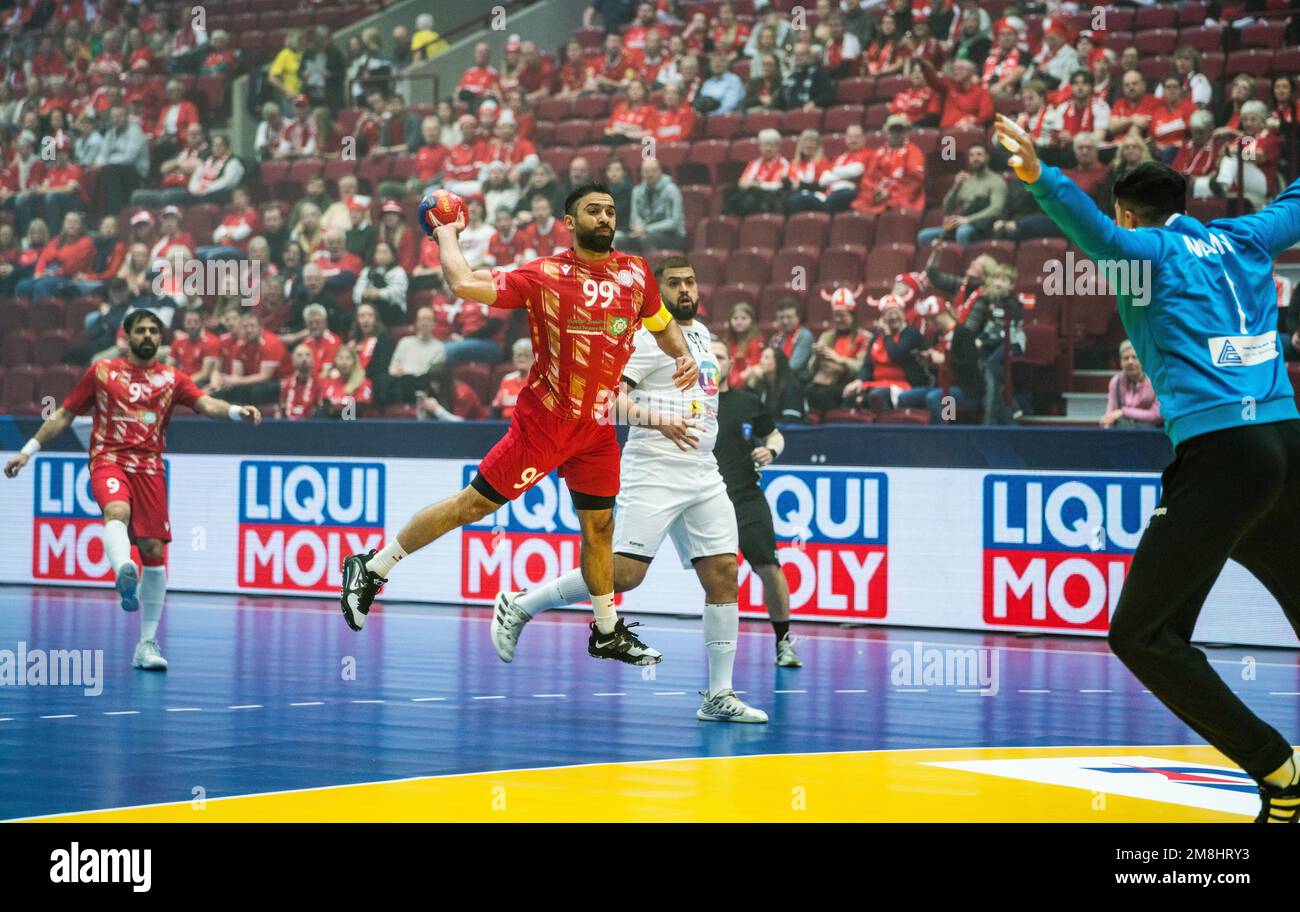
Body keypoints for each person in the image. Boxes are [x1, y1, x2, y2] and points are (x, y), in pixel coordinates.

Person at [996, 111, 1300, 824]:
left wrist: (1042, 176)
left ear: (1130, 212)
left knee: (1141, 634)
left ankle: (1279, 771)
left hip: (1224, 453)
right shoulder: (1245, 237)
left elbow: (1094, 237)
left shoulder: (1148, 256)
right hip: (1289, 444)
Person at [339, 183, 698, 667]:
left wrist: (682, 355)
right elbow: (465, 285)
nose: (605, 218)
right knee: (471, 506)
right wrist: (446, 234)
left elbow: (661, 321)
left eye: (611, 211)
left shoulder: (636, 273)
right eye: (593, 211)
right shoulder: (545, 275)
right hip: (544, 424)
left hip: (596, 429)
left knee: (599, 530)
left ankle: (607, 631)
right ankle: (373, 567)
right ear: (569, 223)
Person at [491, 258, 768, 722]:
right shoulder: (643, 338)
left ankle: (718, 695)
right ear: (658, 292)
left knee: (723, 573)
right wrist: (661, 420)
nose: (684, 289)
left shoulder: (700, 336)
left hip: (702, 472)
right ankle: (520, 604)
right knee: (623, 574)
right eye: (674, 283)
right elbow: (605, 404)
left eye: (690, 281)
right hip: (653, 470)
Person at [4, 310, 261, 671]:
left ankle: (146, 644)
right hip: (109, 459)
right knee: (117, 512)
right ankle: (125, 570)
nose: (147, 335)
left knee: (155, 551)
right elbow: (63, 413)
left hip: (151, 468)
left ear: (160, 338)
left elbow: (205, 403)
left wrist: (237, 411)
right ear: (126, 337)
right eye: (140, 330)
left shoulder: (172, 378)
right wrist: (27, 451)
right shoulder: (103, 372)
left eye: (153, 330)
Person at [710, 338, 801, 666]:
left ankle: (784, 642)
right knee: (720, 576)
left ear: (730, 364)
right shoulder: (688, 403)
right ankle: (722, 656)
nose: (714, 361)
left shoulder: (748, 402)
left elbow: (775, 435)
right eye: (707, 355)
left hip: (747, 498)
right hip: (706, 502)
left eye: (720, 356)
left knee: (768, 567)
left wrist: (771, 450)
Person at [1101, 340, 1162, 429]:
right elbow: (1111, 412)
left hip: (1151, 433)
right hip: (1123, 432)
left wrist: (1123, 412)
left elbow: (1157, 415)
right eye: (1126, 358)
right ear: (1121, 362)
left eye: (1134, 357)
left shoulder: (1156, 381)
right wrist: (1107, 422)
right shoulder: (1115, 382)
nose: (1130, 362)